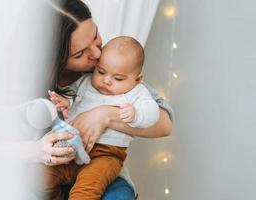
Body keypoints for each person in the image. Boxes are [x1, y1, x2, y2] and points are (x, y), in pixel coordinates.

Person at [34, 0, 173, 199]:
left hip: (102, 159)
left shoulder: (112, 69)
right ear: (56, 57)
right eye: (80, 53)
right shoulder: (84, 79)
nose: (97, 53)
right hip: (61, 161)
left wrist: (105, 115)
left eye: (95, 36)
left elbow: (165, 124)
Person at [44, 36, 159, 200]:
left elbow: (153, 113)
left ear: (138, 79)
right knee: (40, 179)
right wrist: (65, 102)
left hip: (105, 155)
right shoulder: (86, 82)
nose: (106, 81)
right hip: (71, 149)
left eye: (117, 78)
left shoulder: (137, 93)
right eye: (101, 71)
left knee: (86, 191)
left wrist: (137, 114)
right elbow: (71, 95)